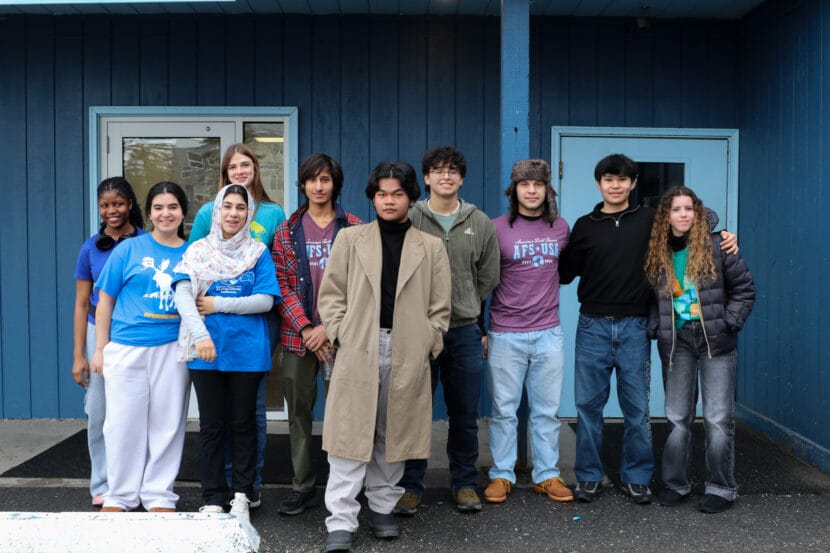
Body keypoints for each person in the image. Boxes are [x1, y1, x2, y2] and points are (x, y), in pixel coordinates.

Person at [559, 153, 738, 505]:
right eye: (608, 179)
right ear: (599, 184)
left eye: (622, 179)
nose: (615, 185)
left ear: (633, 183)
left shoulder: (648, 221)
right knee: (588, 407)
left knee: (637, 410)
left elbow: (688, 221)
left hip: (635, 326)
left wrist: (725, 234)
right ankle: (590, 477)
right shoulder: (584, 225)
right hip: (592, 324)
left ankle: (637, 478)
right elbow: (566, 272)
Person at [318, 161, 451, 552]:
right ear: (372, 198)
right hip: (359, 344)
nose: (389, 201)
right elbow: (331, 295)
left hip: (408, 346)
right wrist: (341, 330)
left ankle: (382, 508)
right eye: (381, 194)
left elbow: (440, 306)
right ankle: (340, 520)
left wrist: (430, 338)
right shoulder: (350, 239)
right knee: (348, 433)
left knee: (392, 432)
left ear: (411, 197)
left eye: (397, 194)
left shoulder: (431, 246)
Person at [396, 145, 500, 514]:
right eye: (438, 170)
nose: (446, 175)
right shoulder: (411, 218)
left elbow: (488, 274)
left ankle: (465, 483)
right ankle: (411, 486)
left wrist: (467, 301)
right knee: (414, 411)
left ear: (461, 178)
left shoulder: (479, 221)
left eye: (453, 170)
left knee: (464, 415)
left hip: (465, 332)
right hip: (418, 331)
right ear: (426, 178)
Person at [174, 184, 282, 521]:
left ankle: (242, 493)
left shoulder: (258, 253)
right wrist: (201, 336)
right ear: (216, 211)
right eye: (227, 206)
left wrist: (219, 303)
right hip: (205, 351)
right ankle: (212, 495)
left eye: (240, 207)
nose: (233, 213)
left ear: (249, 213)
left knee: (244, 424)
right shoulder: (198, 251)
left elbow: (264, 300)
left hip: (247, 352)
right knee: (212, 425)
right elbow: (183, 296)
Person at [644, 186, 754, 514]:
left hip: (715, 341)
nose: (683, 215)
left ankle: (721, 487)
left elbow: (744, 289)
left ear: (698, 212)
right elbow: (654, 299)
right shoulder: (657, 251)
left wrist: (728, 323)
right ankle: (676, 484)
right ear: (666, 215)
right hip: (677, 343)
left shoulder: (719, 245)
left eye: (688, 209)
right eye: (675, 209)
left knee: (718, 418)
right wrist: (655, 328)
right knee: (677, 417)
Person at [272, 153, 363, 516]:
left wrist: (329, 328)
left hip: (343, 338)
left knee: (349, 414)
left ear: (334, 184)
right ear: (304, 184)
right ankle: (302, 485)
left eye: (326, 179)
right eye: (313, 179)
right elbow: (281, 286)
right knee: (299, 414)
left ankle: (350, 488)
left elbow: (361, 286)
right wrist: (308, 328)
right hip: (298, 338)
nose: (319, 186)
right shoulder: (286, 230)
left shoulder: (355, 227)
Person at [91, 181, 190, 512]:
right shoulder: (128, 250)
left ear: (183, 212)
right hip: (126, 348)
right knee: (121, 422)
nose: (166, 214)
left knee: (168, 423)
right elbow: (104, 302)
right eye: (159, 207)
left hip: (172, 349)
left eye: (173, 207)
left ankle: (158, 494)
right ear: (148, 213)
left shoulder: (193, 254)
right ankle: (120, 494)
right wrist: (100, 349)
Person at [482, 160, 573, 504]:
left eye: (538, 184)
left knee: (546, 411)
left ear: (547, 189)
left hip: (549, 331)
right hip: (505, 332)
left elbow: (567, 270)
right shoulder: (497, 228)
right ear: (514, 190)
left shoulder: (560, 228)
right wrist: (482, 328)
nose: (532, 190)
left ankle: (547, 474)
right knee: (504, 410)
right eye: (525, 184)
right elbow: (482, 279)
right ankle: (502, 475)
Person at [72, 177, 145, 507]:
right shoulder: (90, 247)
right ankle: (101, 483)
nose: (111, 210)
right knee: (99, 410)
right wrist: (79, 355)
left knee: (136, 409)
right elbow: (82, 303)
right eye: (105, 205)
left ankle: (138, 481)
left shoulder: (146, 242)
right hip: (95, 334)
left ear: (130, 204)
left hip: (136, 333)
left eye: (117, 203)